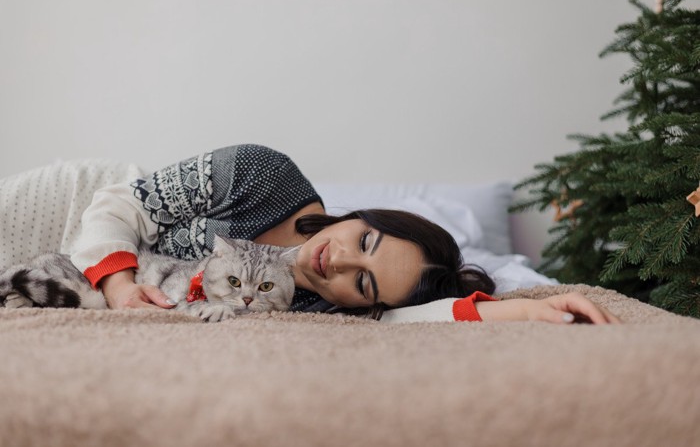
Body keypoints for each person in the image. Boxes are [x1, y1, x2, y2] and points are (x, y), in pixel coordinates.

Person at [3, 144, 621, 324]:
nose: (341, 262)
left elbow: (415, 322)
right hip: (73, 208)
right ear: (363, 218)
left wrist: (532, 310)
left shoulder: (315, 305)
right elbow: (120, 206)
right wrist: (115, 283)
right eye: (366, 242)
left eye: (364, 283)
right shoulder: (264, 174)